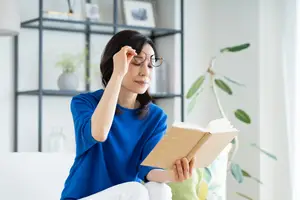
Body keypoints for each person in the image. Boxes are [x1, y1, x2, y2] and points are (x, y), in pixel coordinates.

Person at [60, 30, 196, 200]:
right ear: (116, 63)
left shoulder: (155, 117)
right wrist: (117, 73)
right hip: (84, 197)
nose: (145, 72)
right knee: (137, 191)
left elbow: (148, 169)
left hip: (126, 195)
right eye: (137, 62)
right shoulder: (84, 103)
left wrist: (172, 175)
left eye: (150, 65)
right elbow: (99, 133)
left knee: (161, 190)